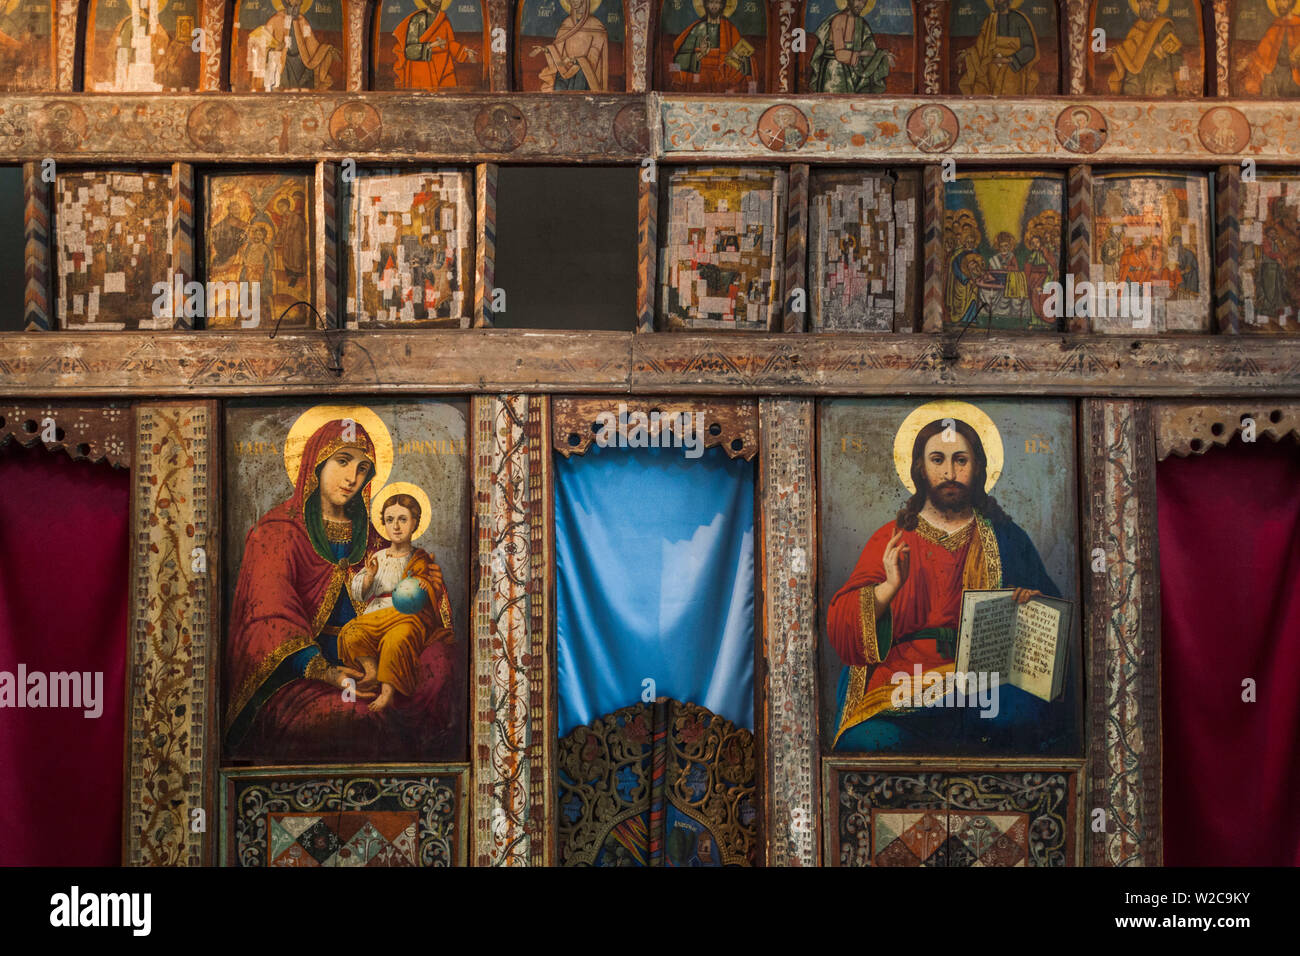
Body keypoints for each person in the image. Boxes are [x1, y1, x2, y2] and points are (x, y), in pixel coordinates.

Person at [224, 417, 458, 761]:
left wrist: (425, 589)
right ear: (315, 463)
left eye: (363, 468)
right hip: (302, 676)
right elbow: (268, 619)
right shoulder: (276, 532)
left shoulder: (379, 540)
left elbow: (408, 604)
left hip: (377, 661)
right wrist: (325, 671)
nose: (353, 478)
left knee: (442, 665)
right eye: (343, 462)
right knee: (354, 717)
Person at [826, 416, 1061, 750]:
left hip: (984, 685)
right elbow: (842, 628)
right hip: (903, 684)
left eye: (960, 460)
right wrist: (889, 587)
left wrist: (1032, 606)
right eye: (938, 460)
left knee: (1022, 718)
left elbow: (1049, 625)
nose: (950, 473)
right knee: (871, 742)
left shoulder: (1007, 539)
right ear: (920, 468)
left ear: (978, 467)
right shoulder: (891, 539)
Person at [338, 491, 454, 712]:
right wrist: (369, 576)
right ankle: (371, 671)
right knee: (352, 632)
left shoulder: (420, 559)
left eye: (403, 519)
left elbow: (431, 596)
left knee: (396, 639)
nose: (396, 526)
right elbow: (358, 594)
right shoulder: (378, 558)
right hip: (376, 616)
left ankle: (387, 693)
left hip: (408, 618)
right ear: (383, 524)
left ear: (415, 523)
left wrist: (426, 585)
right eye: (390, 520)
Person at [806, 0, 895, 93]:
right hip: (834, 74)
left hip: (852, 72)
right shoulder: (838, 20)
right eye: (859, 1)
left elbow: (869, 49)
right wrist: (860, 53)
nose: (861, 5)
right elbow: (839, 54)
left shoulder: (861, 23)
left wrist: (882, 55)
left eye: (864, 2)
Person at [956, 0, 1039, 94]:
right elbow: (981, 46)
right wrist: (969, 53)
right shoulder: (990, 21)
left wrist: (1008, 59)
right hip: (992, 67)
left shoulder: (1019, 20)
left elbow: (1030, 49)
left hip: (1013, 68)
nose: (998, 1)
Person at [671, 0, 755, 92]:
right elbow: (678, 60)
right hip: (700, 79)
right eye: (711, 2)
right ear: (705, 4)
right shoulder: (697, 29)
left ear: (722, 5)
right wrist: (700, 54)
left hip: (724, 81)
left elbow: (745, 60)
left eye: (718, 2)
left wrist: (738, 57)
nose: (714, 6)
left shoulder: (731, 30)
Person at [393, 0, 478, 89]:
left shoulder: (443, 19)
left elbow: (450, 43)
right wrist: (431, 45)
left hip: (443, 67)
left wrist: (465, 51)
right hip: (423, 69)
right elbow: (409, 50)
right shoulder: (417, 19)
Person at [1103, 0, 1181, 95]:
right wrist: (1116, 51)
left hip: (1157, 77)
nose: (1142, 6)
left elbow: (1176, 56)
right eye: (1140, 3)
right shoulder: (1136, 27)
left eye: (1145, 2)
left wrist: (1163, 52)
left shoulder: (1164, 26)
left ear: (1154, 3)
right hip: (1135, 79)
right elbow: (1128, 51)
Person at [531, 0, 609, 91]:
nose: (573, 1)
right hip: (565, 68)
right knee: (559, 88)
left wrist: (575, 61)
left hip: (584, 72)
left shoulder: (597, 26)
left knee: (579, 83)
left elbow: (594, 56)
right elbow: (557, 48)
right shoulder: (567, 23)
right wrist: (546, 50)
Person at [1238, 0, 1300, 96]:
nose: (1279, 5)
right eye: (1277, 1)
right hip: (1275, 72)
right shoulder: (1275, 26)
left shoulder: (1298, 24)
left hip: (1294, 74)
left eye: (1283, 0)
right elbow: (1262, 50)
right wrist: (1248, 59)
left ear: (1292, 2)